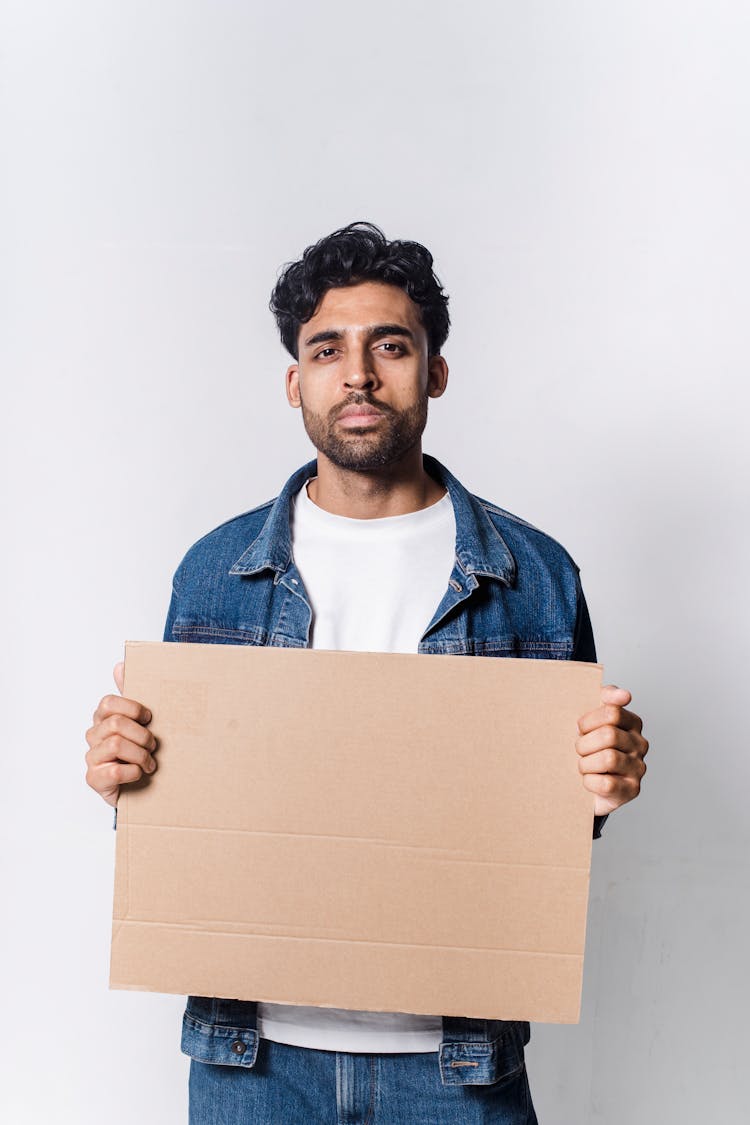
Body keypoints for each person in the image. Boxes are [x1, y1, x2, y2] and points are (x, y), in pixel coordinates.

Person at [85, 222, 648, 1124]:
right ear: (294, 381)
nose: (358, 373)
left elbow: (556, 838)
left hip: (457, 1064)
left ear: (435, 371)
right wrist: (126, 779)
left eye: (390, 345)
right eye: (327, 349)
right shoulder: (214, 570)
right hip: (254, 1060)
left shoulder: (538, 576)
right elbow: (185, 812)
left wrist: (601, 785)